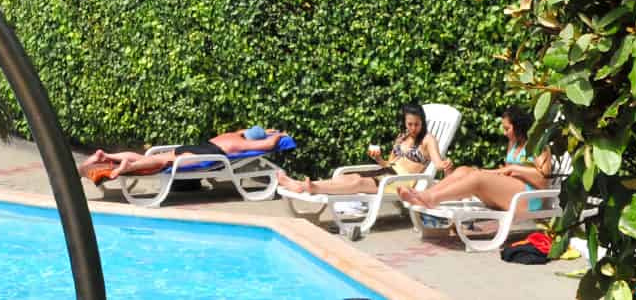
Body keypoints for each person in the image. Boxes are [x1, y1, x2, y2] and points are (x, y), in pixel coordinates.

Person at [276, 103, 448, 197]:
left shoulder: (428, 139)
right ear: (404, 122)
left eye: (417, 124)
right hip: (388, 172)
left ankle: (311, 187)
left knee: (357, 184)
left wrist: (445, 165)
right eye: (410, 124)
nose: (413, 128)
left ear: (422, 122)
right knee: (348, 177)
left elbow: (438, 162)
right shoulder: (401, 137)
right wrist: (378, 158)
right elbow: (388, 163)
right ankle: (299, 185)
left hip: (401, 181)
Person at [402, 105, 552, 212]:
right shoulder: (513, 143)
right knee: (463, 170)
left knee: (477, 177)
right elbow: (506, 173)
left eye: (507, 129)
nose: (504, 133)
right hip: (510, 194)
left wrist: (514, 168)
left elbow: (544, 178)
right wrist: (493, 171)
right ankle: (425, 194)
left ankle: (432, 198)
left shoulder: (538, 144)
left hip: (528, 199)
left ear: (519, 126)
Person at [77, 127, 289, 184]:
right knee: (160, 161)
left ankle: (110, 156)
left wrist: (267, 130)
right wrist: (279, 136)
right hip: (207, 155)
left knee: (149, 157)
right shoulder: (242, 144)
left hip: (195, 146)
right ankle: (127, 167)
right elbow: (268, 144)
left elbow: (252, 132)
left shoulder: (233, 134)